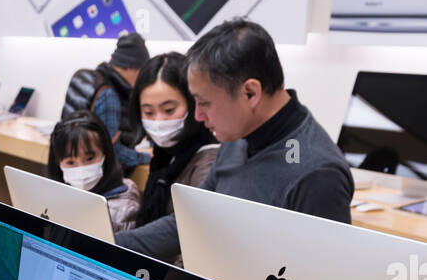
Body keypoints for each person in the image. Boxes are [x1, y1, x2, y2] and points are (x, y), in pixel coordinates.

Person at [115, 19, 355, 262]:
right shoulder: (238, 135)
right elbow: (193, 220)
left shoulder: (317, 173)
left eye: (204, 102)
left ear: (250, 93)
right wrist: (106, 241)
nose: (197, 115)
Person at [131, 52, 218, 227]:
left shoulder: (208, 162)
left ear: (192, 103)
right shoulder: (163, 155)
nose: (158, 121)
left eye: (169, 110)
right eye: (148, 112)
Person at [60, 32, 150, 171]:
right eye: (141, 72)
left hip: (70, 164)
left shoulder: (84, 76)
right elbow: (112, 150)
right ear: (130, 67)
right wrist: (146, 157)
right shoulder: (108, 94)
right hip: (94, 172)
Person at [48, 111, 141, 232]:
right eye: (70, 162)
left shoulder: (122, 211)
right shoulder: (58, 196)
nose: (81, 169)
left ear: (105, 154)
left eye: (89, 159)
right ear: (58, 163)